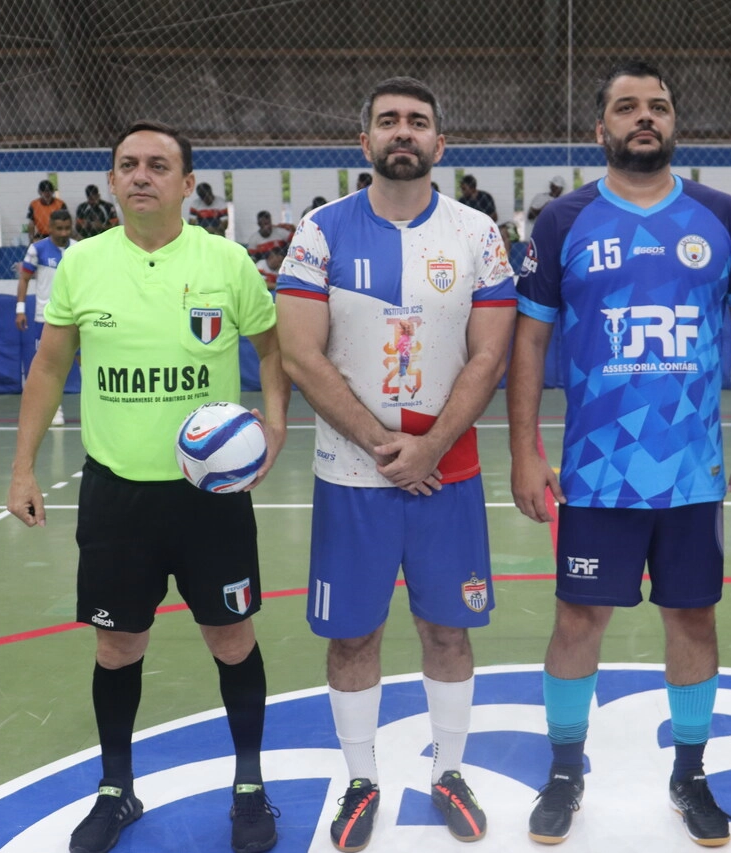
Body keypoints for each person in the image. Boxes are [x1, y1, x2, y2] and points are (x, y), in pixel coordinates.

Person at [508, 60, 731, 848]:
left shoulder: (721, 215)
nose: (643, 118)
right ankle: (566, 771)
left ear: (674, 123)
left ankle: (689, 777)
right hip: (596, 472)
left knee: (693, 615)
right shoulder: (563, 221)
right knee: (578, 617)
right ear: (601, 129)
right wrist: (525, 451)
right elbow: (530, 341)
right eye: (626, 107)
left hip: (691, 470)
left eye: (657, 106)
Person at [5, 120, 290, 853]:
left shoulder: (226, 263)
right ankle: (115, 787)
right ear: (112, 179)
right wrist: (22, 466)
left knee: (231, 637)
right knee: (116, 646)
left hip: (210, 497)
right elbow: (48, 367)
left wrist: (277, 423)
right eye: (127, 164)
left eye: (158, 165)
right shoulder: (80, 264)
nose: (140, 176)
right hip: (117, 492)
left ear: (187, 184)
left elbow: (271, 345)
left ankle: (250, 783)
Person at [274, 76, 516, 852]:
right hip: (355, 476)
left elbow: (490, 354)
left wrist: (431, 448)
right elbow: (300, 355)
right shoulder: (320, 232)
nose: (402, 132)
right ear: (366, 140)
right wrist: (388, 449)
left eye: (417, 122)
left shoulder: (478, 234)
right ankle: (360, 781)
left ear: (440, 145)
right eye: (388, 121)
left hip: (450, 472)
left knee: (448, 629)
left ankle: (450, 771)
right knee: (353, 635)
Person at [15, 207, 76, 426]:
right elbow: (24, 279)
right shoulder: (37, 250)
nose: (63, 233)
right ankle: (54, 410)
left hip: (77, 317)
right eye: (59, 228)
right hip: (46, 317)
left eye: (67, 228)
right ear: (50, 228)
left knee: (86, 363)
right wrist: (20, 310)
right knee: (51, 365)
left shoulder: (79, 249)